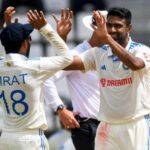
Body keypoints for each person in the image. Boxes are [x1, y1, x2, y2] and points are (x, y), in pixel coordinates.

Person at [31, 7, 150, 150]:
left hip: (135, 124)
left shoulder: (141, 50)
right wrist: (53, 33)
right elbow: (64, 64)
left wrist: (106, 37)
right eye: (108, 26)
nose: (112, 30)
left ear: (129, 28)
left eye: (117, 26)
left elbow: (135, 64)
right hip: (106, 126)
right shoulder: (98, 53)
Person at [0, 9, 74, 150]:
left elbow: (4, 52)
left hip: (6, 138)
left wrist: (7, 30)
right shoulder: (34, 66)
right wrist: (45, 28)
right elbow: (67, 58)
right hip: (30, 139)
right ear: (24, 43)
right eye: (28, 37)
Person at [43, 9, 100, 150]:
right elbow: (47, 77)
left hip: (111, 125)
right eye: (108, 26)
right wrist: (60, 109)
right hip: (88, 128)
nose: (113, 31)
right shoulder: (78, 54)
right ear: (95, 28)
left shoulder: (113, 54)